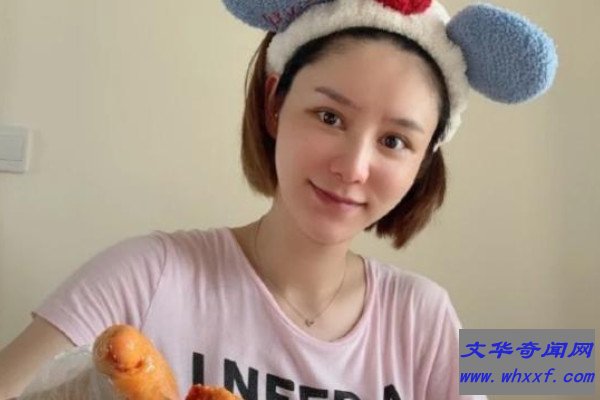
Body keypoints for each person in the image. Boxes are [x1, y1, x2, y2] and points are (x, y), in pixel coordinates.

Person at [0, 0, 557, 399]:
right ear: (274, 103)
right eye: (330, 116)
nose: (353, 167)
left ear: (423, 160)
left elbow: (565, 364)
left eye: (394, 141)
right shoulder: (147, 276)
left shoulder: (424, 316)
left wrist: (570, 358)